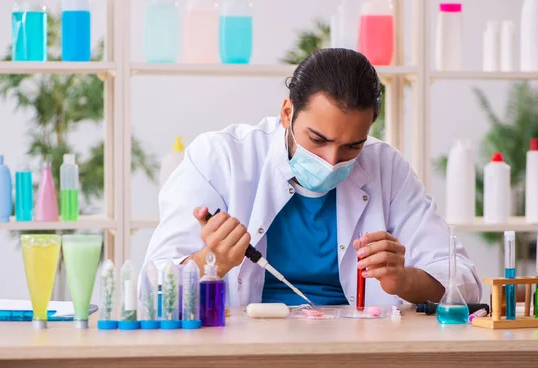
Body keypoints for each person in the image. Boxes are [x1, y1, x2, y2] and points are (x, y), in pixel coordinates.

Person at [145, 48, 482, 307]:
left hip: (358, 350)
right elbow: (150, 289)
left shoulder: (386, 167)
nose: (332, 161)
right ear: (288, 112)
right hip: (247, 350)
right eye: (318, 140)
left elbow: (463, 281)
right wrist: (212, 260)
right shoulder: (221, 157)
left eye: (352, 146)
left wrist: (404, 280)